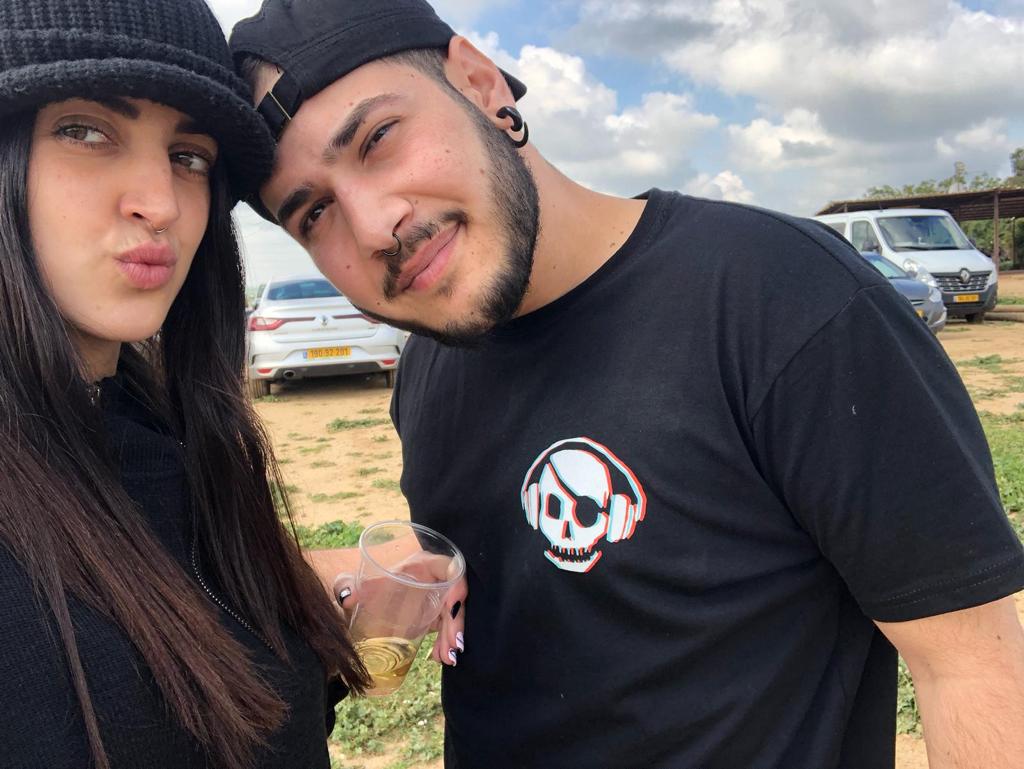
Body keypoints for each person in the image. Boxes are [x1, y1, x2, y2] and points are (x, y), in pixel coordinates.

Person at [229, 1, 1024, 767]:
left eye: (378, 139)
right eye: (314, 214)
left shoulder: (785, 302)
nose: (374, 226)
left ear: (479, 83)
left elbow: (976, 668)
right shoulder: (429, 369)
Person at [0, 1, 370, 768]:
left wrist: (319, 607)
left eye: (189, 156)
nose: (162, 202)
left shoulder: (177, 436)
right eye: (86, 131)